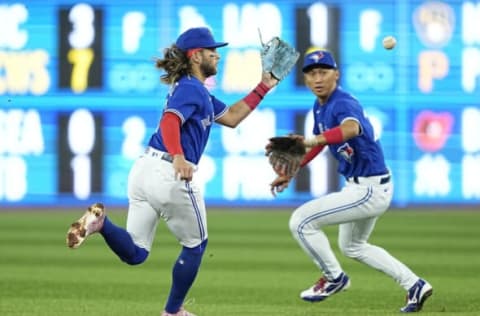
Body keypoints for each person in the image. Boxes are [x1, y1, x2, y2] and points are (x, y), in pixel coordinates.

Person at [66, 27, 279, 316]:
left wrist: (264, 86)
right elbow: (169, 121)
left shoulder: (196, 91)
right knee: (196, 246)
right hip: (169, 171)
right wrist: (179, 157)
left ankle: (102, 224)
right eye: (211, 50)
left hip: (144, 171)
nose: (217, 54)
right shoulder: (191, 88)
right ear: (195, 56)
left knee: (136, 253)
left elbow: (232, 117)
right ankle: (173, 311)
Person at [269, 48, 433, 313]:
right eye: (311, 73)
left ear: (337, 74)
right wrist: (292, 170)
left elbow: (350, 129)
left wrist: (311, 140)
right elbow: (318, 143)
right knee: (353, 246)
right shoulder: (320, 105)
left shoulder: (342, 102)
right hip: (364, 185)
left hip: (368, 188)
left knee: (301, 222)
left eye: (323, 71)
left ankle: (334, 278)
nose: (317, 78)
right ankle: (415, 285)